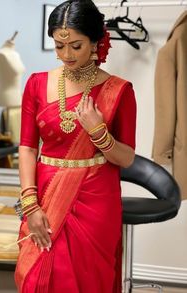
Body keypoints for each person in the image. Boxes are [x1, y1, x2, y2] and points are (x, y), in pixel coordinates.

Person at [15, 0, 136, 292]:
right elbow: (28, 148)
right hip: (45, 194)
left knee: (89, 279)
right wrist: (30, 206)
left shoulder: (119, 91)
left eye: (76, 46)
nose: (66, 54)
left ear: (96, 41)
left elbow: (127, 158)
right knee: (37, 276)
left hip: (96, 199)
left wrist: (98, 132)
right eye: (59, 46)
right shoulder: (36, 84)